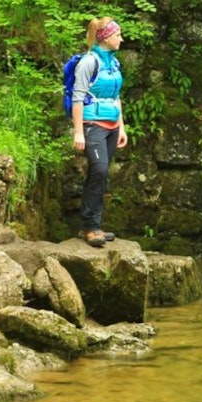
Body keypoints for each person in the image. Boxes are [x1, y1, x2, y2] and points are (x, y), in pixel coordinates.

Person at [71, 17, 128, 248]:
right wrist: (78, 132)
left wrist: (121, 127)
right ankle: (90, 227)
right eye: (118, 35)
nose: (121, 39)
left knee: (101, 175)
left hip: (112, 126)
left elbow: (115, 97)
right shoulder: (88, 62)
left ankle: (93, 225)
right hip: (93, 125)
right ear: (105, 38)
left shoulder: (113, 63)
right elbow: (78, 97)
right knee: (99, 170)